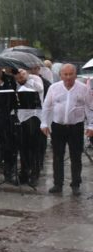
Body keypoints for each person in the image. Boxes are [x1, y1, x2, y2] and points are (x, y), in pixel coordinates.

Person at [40, 63, 93, 196]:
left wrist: (91, 126)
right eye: (66, 74)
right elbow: (47, 106)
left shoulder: (84, 89)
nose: (68, 77)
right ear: (61, 75)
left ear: (76, 74)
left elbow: (89, 108)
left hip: (76, 126)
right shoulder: (54, 88)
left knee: (76, 157)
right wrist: (44, 123)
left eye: (71, 74)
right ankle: (58, 183)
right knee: (58, 156)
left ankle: (75, 184)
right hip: (58, 126)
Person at [15, 69, 45, 187]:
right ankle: (24, 172)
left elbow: (40, 89)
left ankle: (34, 174)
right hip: (21, 117)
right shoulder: (16, 82)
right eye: (18, 75)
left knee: (34, 147)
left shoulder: (35, 79)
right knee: (22, 147)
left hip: (34, 116)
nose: (20, 77)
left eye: (22, 74)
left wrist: (27, 79)